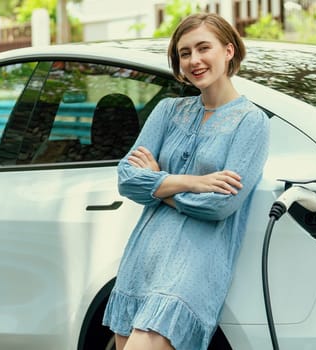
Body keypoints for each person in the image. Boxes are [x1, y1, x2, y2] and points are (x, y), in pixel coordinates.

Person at [102, 13, 271, 350]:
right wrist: (192, 182)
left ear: (228, 50)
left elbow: (221, 205)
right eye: (184, 53)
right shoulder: (167, 110)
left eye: (203, 48)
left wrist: (157, 184)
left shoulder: (251, 123)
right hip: (143, 257)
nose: (194, 60)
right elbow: (126, 178)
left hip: (193, 266)